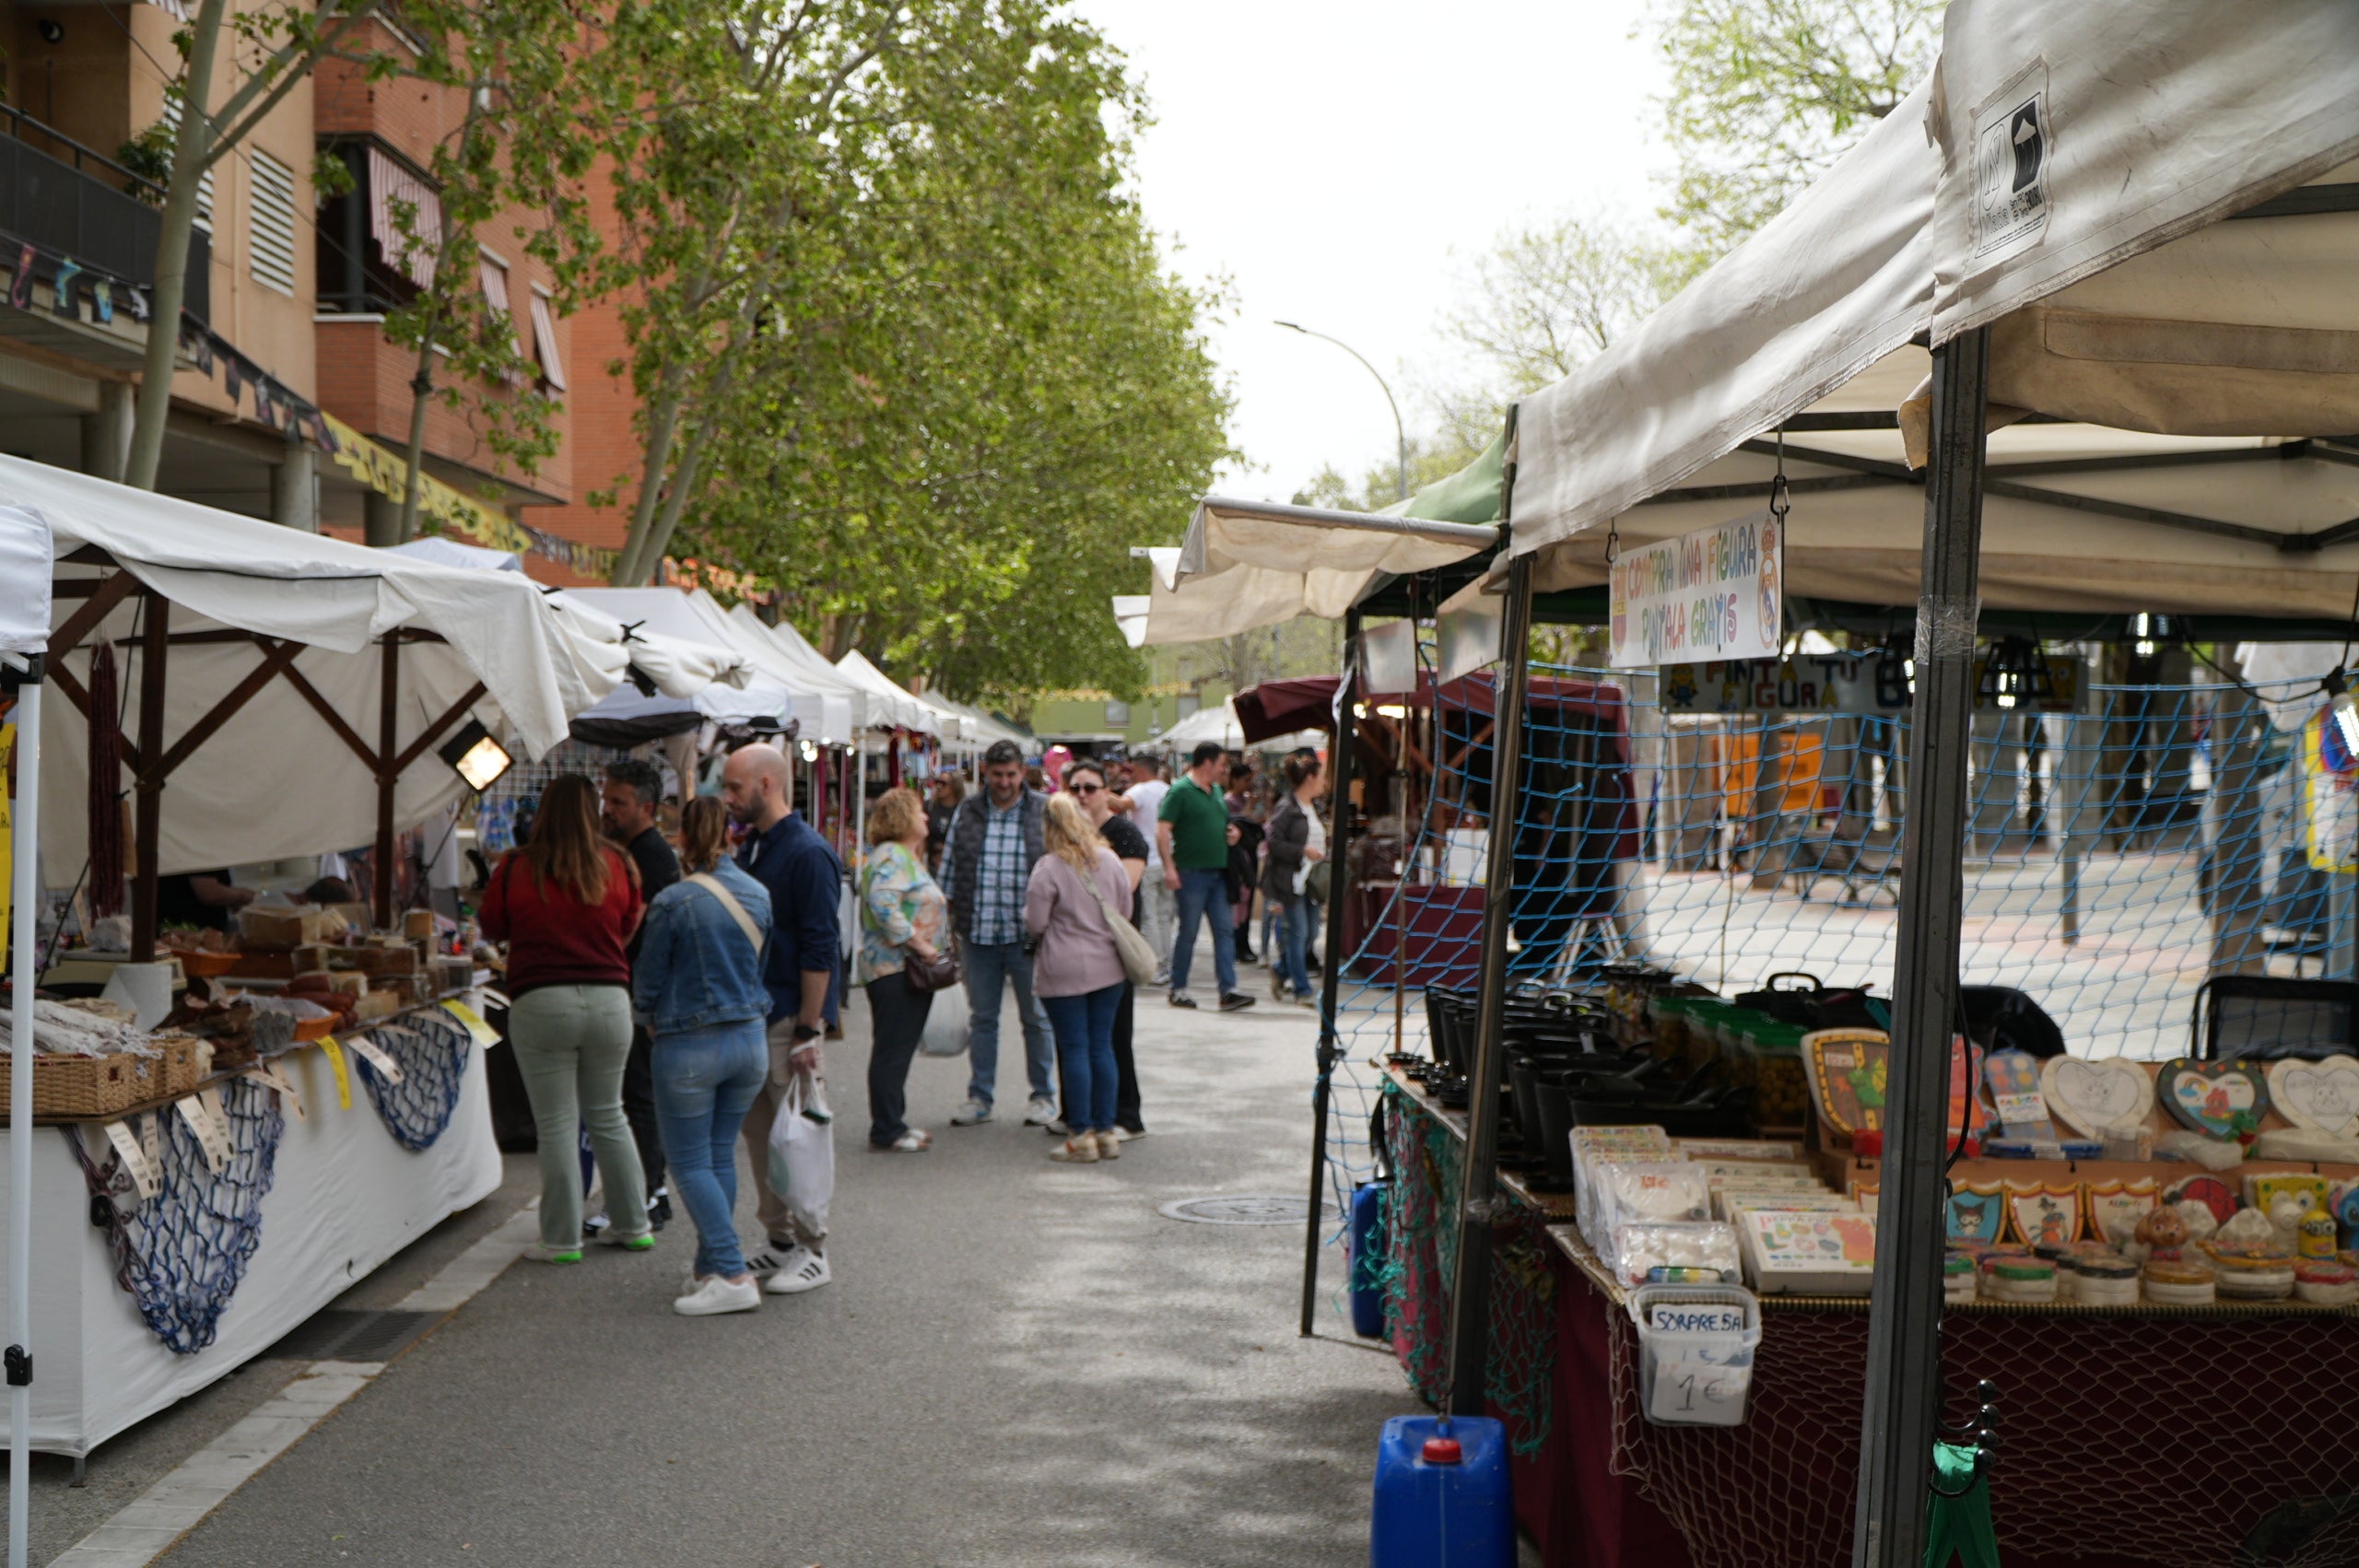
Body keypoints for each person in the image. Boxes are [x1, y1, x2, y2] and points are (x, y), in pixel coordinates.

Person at [479, 773, 652, 1264]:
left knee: (556, 1124)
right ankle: (633, 1223)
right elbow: (629, 924)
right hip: (609, 1000)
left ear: (542, 811)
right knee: (608, 1116)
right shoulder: (619, 863)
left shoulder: (516, 867)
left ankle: (561, 1239)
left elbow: (492, 925)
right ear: (592, 810)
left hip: (541, 1001)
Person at [633, 798, 774, 1316]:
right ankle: (710, 1266)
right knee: (718, 1155)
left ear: (684, 838)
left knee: (690, 1161)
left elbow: (649, 977)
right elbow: (762, 961)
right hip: (749, 1040)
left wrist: (646, 1016)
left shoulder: (673, 901)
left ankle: (733, 1273)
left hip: (689, 1042)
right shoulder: (758, 893)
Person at [721, 743, 843, 1297]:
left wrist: (808, 1029)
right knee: (762, 1138)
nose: (727, 798)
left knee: (797, 1139)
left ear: (767, 785)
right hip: (758, 1015)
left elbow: (821, 947)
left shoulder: (806, 853)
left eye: (734, 787)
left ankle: (814, 1246)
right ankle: (781, 1239)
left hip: (787, 1016)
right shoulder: (758, 847)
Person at [938, 739, 1056, 1127]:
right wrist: (944, 924)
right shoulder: (968, 810)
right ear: (985, 772)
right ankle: (979, 1096)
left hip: (1028, 936)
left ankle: (1042, 1096)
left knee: (1036, 1019)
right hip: (979, 932)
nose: (1004, 782)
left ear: (1023, 772)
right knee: (983, 1018)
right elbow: (951, 868)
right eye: (997, 774)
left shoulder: (1043, 809)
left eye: (1011, 774)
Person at [1025, 793, 1133, 1163]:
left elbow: (1035, 922)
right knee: (1102, 1046)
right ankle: (1106, 1132)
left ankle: (1081, 1134)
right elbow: (1125, 909)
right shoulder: (1111, 859)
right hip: (1109, 966)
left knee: (1074, 1049)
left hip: (1063, 966)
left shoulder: (1049, 867)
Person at [603, 756, 680, 1233]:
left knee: (639, 1094)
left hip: (640, 993)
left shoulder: (649, 856)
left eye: (618, 801)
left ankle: (650, 1191)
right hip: (635, 990)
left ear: (646, 807)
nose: (608, 809)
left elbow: (632, 929)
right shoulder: (633, 849)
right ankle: (650, 1189)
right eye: (606, 798)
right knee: (635, 1094)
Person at [856, 786, 947, 1153]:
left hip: (902, 967)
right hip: (895, 967)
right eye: (920, 812)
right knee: (892, 1050)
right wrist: (922, 945)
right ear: (903, 818)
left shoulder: (902, 855)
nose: (926, 817)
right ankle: (887, 1128)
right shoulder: (892, 856)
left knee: (897, 1048)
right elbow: (883, 904)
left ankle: (894, 1120)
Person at [1064, 759, 1148, 1139]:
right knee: (1073, 1035)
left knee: (1113, 1034)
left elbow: (1122, 891)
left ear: (1105, 792)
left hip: (1112, 946)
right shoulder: (1064, 834)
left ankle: (1126, 1116)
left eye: (1090, 787)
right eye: (1075, 788)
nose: (1083, 795)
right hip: (1072, 945)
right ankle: (1077, 1114)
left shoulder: (1124, 833)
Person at [1158, 741, 1255, 1012]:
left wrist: (1233, 833)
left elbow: (1222, 824)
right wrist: (1169, 867)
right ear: (1207, 763)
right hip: (1191, 874)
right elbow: (1162, 830)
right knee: (1188, 932)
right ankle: (1178, 988)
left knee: (1224, 932)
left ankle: (1228, 990)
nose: (1225, 770)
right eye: (1222, 764)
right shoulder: (1180, 791)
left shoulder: (1215, 792)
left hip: (1218, 873)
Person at [1262, 752, 1328, 1006]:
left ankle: (1280, 969)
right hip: (1291, 882)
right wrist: (1302, 850)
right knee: (1299, 934)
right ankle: (1302, 989)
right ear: (1310, 778)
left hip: (1310, 882)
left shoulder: (1312, 807)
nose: (1324, 782)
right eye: (1321, 777)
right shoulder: (1287, 809)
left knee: (1310, 933)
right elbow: (1274, 843)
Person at [1123, 756, 1174, 985]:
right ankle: (1164, 965)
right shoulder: (1169, 790)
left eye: (1133, 771)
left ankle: (1155, 964)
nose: (1131, 775)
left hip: (1146, 860)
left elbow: (1122, 804)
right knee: (1165, 916)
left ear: (1142, 770)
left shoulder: (1141, 790)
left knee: (1149, 916)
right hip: (1168, 859)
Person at [1225, 759, 1264, 963]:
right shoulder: (1229, 801)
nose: (1248, 784)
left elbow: (1259, 823)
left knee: (1247, 900)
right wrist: (1250, 806)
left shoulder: (1247, 798)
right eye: (1246, 780)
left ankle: (1244, 943)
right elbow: (1238, 824)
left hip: (1251, 854)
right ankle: (1236, 943)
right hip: (1238, 857)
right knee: (1238, 900)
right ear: (1235, 779)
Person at [155, 870, 253, 932]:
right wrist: (242, 894)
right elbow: (209, 892)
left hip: (188, 930)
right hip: (188, 932)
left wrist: (230, 900)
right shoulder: (200, 848)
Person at [924, 771, 967, 875]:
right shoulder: (928, 807)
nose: (938, 786)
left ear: (955, 786)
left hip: (956, 865)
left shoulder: (963, 810)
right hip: (931, 864)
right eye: (937, 782)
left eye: (943, 783)